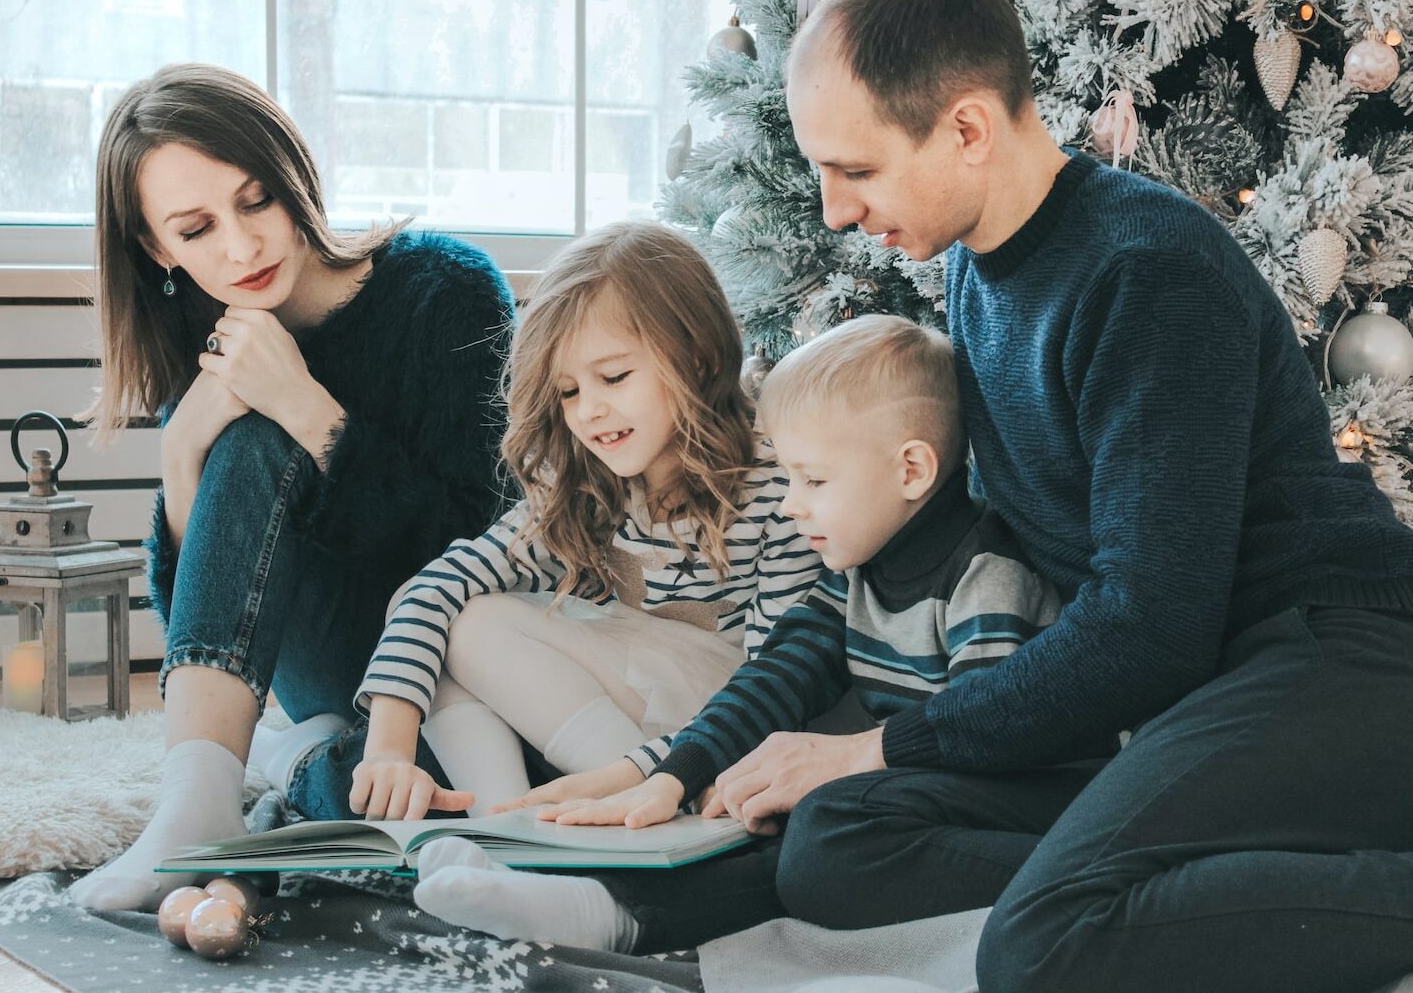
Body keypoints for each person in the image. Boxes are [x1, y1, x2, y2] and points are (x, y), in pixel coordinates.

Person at [753, 0, 1411, 993]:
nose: (836, 210)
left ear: (967, 130)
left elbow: (1147, 627)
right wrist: (702, 760)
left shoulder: (1147, 272)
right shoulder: (975, 263)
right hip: (1187, 693)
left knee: (1041, 945)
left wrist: (880, 744)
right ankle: (1187, 873)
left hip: (1329, 653)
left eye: (858, 171)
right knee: (836, 837)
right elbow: (947, 545)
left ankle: (1132, 882)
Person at [407, 312, 1084, 954]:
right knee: (774, 808)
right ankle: (591, 898)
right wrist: (673, 775)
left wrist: (831, 776)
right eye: (788, 477)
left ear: (911, 470)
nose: (791, 503)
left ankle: (612, 915)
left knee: (819, 829)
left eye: (813, 479)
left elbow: (977, 737)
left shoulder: (987, 577)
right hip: (920, 786)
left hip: (1020, 799)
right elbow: (776, 676)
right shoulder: (857, 571)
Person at [70, 63, 515, 912]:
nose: (240, 248)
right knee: (242, 436)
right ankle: (196, 806)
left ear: (294, 176)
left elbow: (483, 542)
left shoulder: (446, 291)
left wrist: (311, 411)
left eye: (256, 200)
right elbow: (201, 616)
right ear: (159, 249)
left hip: (455, 661)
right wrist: (184, 446)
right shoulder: (214, 340)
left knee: (431, 795)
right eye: (196, 229)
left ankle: (290, 759)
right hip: (322, 663)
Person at [283, 220, 824, 830]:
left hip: (726, 734)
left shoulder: (780, 487)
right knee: (453, 620)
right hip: (620, 730)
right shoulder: (589, 485)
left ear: (698, 358)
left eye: (614, 377)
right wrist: (388, 750)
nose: (589, 411)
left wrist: (655, 771)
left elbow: (779, 680)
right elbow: (432, 589)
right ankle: (505, 824)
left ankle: (634, 813)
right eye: (568, 392)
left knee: (475, 628)